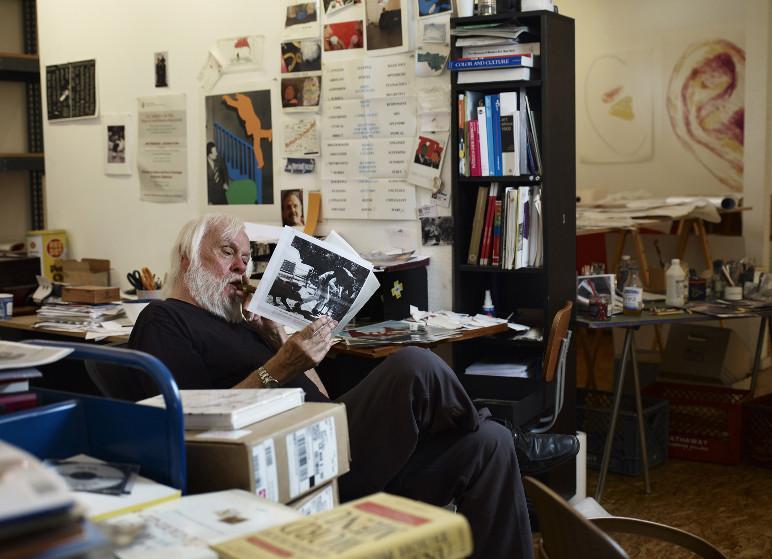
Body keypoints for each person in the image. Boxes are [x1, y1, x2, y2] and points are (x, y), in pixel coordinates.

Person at [129, 214, 579, 559]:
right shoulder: (164, 320)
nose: (240, 268)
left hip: (337, 444)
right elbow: (187, 426)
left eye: (246, 258)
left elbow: (322, 398)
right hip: (297, 470)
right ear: (189, 258)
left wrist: (278, 342)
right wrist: (280, 365)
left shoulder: (246, 325)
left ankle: (510, 441)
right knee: (414, 366)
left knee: (490, 443)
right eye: (228, 252)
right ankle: (522, 443)